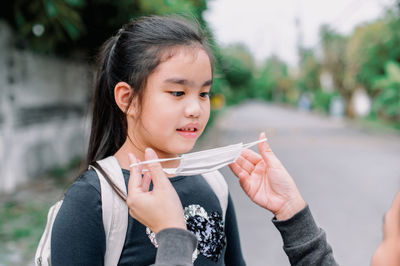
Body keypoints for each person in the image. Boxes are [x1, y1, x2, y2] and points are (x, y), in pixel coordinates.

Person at [51, 15, 245, 265]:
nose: (195, 109)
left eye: (204, 93)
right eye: (178, 93)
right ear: (127, 99)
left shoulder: (214, 185)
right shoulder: (91, 202)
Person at [130, 133, 400, 266]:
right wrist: (291, 211)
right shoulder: (95, 194)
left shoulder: (213, 187)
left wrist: (173, 235)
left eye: (387, 235)